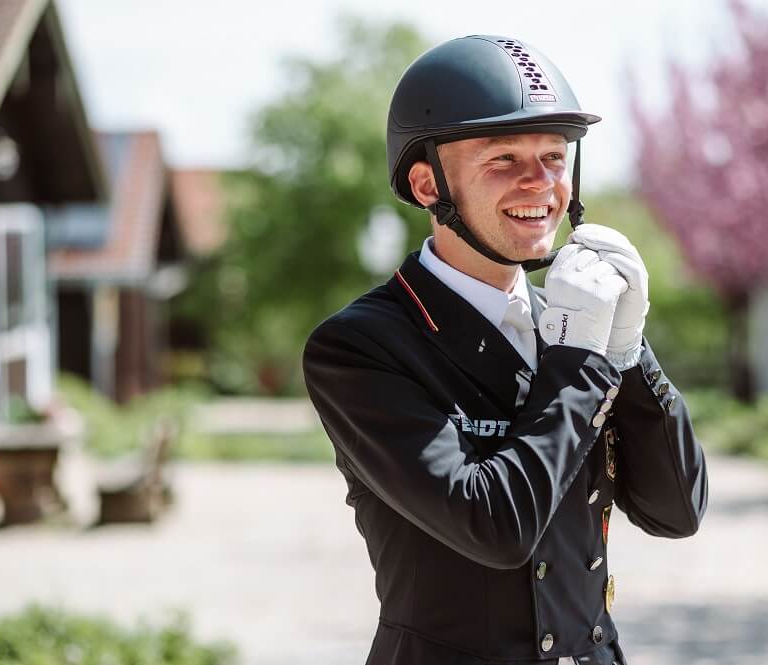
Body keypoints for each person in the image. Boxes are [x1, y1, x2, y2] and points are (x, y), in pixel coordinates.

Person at [303, 35, 708, 665]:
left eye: (554, 156)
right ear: (427, 183)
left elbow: (676, 510)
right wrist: (580, 366)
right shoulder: (360, 347)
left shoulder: (577, 326)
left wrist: (628, 352)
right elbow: (495, 525)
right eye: (503, 160)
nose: (540, 183)